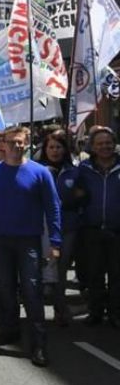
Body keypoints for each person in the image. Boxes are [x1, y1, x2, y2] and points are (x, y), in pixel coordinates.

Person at [0, 125, 62, 367]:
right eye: (12, 142)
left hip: (29, 241)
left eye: (21, 142)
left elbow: (53, 208)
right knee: (6, 289)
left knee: (32, 291)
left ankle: (39, 343)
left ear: (27, 142)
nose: (17, 146)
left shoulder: (41, 173)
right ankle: (10, 330)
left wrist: (56, 242)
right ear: (3, 144)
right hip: (1, 241)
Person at [73, 127, 120, 328]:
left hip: (117, 230)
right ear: (93, 147)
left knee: (118, 276)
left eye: (108, 142)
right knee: (94, 274)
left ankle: (116, 314)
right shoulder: (84, 168)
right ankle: (95, 312)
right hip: (91, 229)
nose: (105, 147)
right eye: (100, 143)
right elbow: (74, 194)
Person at [36, 131, 79, 326]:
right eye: (51, 147)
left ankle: (60, 307)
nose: (54, 151)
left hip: (66, 228)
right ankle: (36, 312)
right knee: (40, 268)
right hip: (41, 228)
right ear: (45, 150)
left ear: (65, 149)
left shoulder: (74, 171)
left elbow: (82, 196)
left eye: (58, 147)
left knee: (61, 269)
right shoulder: (36, 170)